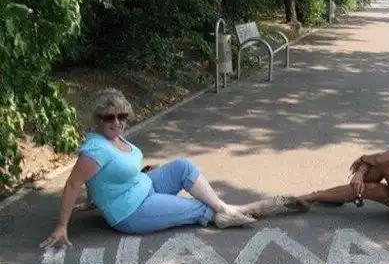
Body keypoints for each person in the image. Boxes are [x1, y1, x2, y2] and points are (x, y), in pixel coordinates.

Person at [40, 88, 306, 248]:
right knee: (200, 208)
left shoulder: (112, 138)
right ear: (97, 119)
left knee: (182, 166)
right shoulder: (96, 149)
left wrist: (93, 199)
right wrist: (62, 225)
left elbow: (95, 178)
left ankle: (224, 208)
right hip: (132, 211)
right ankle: (246, 210)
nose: (117, 122)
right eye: (109, 117)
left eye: (122, 116)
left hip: (145, 187)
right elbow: (74, 182)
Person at [297, 101, 389, 226]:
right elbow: (383, 157)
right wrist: (360, 173)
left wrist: (363, 159)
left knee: (386, 166)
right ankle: (313, 197)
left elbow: (382, 160)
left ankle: (332, 196)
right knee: (370, 189)